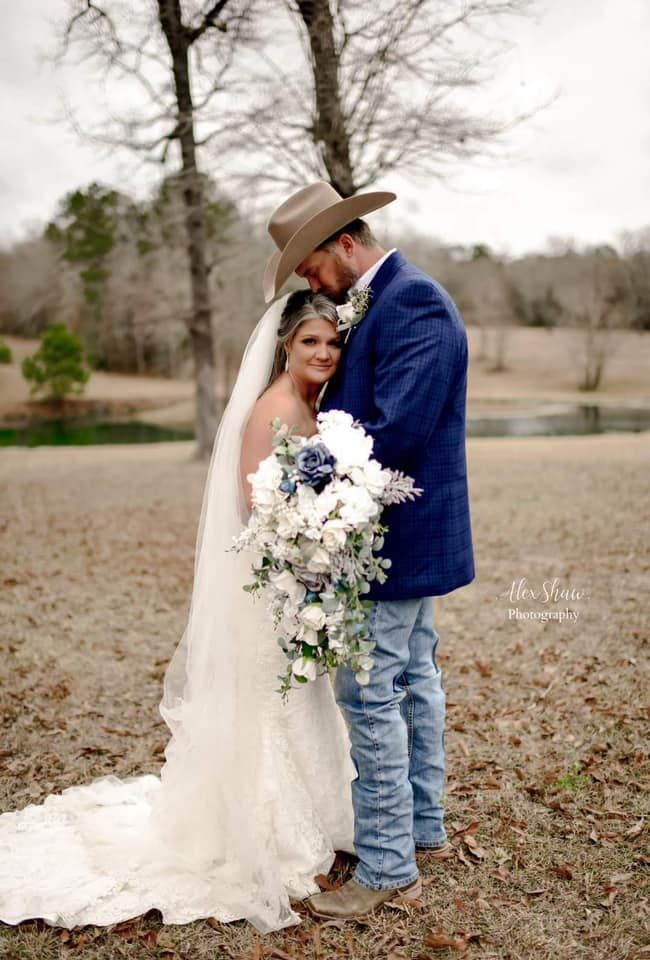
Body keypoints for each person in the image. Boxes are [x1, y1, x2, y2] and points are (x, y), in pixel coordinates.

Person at [0, 285, 378, 934]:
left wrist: (338, 531)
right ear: (284, 347)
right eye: (309, 341)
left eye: (332, 342)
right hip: (277, 588)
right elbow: (257, 511)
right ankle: (266, 835)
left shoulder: (320, 407)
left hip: (304, 589)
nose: (323, 352)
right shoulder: (272, 411)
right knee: (271, 704)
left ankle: (322, 815)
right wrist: (311, 547)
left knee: (302, 700)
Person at [263, 181, 475, 920]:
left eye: (311, 267)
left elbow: (396, 435)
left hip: (393, 541)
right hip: (396, 539)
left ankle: (388, 870)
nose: (309, 284)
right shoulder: (383, 301)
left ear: (344, 244)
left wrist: (315, 498)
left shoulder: (413, 301)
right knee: (413, 680)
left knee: (372, 693)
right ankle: (420, 829)